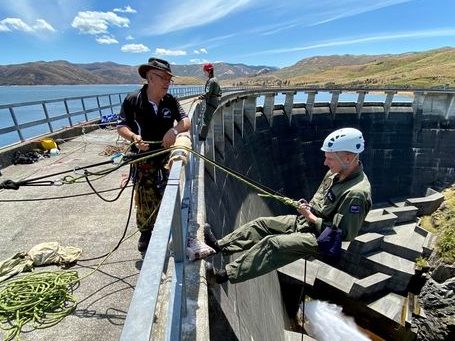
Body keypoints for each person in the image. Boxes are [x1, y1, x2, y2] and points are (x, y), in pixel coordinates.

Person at [201, 127, 372, 284]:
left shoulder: (356, 193)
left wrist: (311, 217)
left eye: (330, 158)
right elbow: (321, 199)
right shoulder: (334, 173)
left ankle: (221, 276)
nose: (325, 163)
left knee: (273, 244)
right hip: (307, 222)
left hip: (321, 239)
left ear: (348, 158)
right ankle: (217, 247)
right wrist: (308, 207)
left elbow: (343, 234)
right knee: (261, 224)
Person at [117, 57, 191, 254]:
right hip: (143, 159)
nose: (167, 82)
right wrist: (134, 137)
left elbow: (186, 121)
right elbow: (121, 126)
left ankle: (166, 227)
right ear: (150, 77)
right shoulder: (133, 100)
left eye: (169, 79)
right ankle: (146, 233)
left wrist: (174, 132)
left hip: (165, 157)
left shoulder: (171, 101)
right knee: (145, 198)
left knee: (166, 193)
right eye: (163, 78)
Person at [198, 63, 222, 141]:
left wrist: (200, 97)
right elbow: (220, 91)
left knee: (206, 119)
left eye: (205, 71)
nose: (204, 73)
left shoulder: (211, 81)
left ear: (209, 71)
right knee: (207, 119)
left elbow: (208, 93)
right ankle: (203, 135)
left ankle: (202, 137)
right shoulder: (216, 79)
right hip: (215, 102)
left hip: (211, 103)